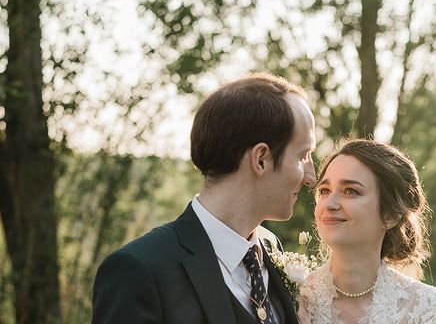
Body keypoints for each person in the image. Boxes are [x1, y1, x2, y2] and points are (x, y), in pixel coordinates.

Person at [92, 73, 317, 324]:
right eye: (302, 156)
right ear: (261, 159)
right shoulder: (139, 272)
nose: (311, 177)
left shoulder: (271, 248)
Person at [299, 139, 436, 324]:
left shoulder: (424, 305)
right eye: (324, 190)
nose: (330, 204)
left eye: (351, 191)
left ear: (391, 215)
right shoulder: (295, 296)